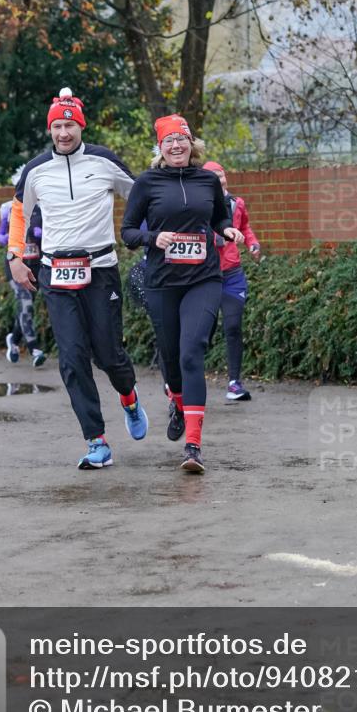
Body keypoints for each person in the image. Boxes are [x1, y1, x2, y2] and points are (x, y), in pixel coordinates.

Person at [7, 88, 148, 470]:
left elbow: (140, 196)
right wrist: (15, 258)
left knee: (108, 354)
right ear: (50, 129)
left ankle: (129, 397)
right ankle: (96, 440)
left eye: (70, 125)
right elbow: (19, 214)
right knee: (71, 357)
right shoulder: (36, 171)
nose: (63, 133)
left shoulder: (103, 161)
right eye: (57, 126)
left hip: (100, 270)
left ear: (80, 126)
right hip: (55, 273)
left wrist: (148, 238)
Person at [121, 114, 244, 474]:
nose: (176, 146)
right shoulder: (147, 183)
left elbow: (220, 220)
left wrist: (230, 232)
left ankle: (193, 447)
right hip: (161, 282)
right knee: (172, 358)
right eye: (169, 141)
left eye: (182, 139)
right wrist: (151, 238)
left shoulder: (207, 180)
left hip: (203, 279)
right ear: (160, 147)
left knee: (192, 353)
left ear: (192, 144)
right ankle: (176, 398)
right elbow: (127, 232)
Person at [203, 161, 261, 401]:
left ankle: (235, 383)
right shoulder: (198, 206)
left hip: (232, 275)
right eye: (212, 177)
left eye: (221, 175)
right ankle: (183, 382)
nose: (218, 180)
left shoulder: (237, 204)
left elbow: (245, 227)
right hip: (205, 277)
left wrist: (252, 243)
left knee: (233, 327)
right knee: (202, 333)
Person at [0, 167, 46, 368]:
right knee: (25, 304)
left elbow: (50, 234)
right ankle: (34, 349)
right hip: (15, 265)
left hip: (35, 265)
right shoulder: (9, 209)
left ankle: (14, 341)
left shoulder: (42, 208)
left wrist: (40, 233)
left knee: (27, 307)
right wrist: (8, 238)